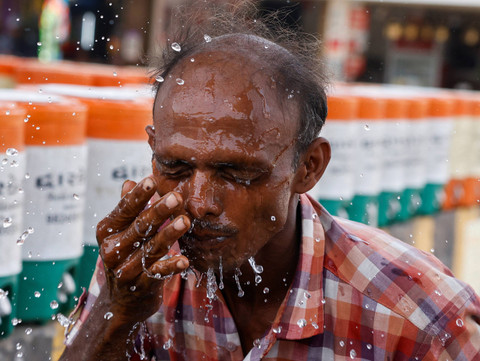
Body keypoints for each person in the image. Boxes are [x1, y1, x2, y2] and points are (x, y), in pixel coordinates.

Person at [60, 3, 480, 361]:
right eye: (175, 168)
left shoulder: (422, 316)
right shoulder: (142, 267)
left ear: (308, 167)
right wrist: (116, 313)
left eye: (237, 173)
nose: (199, 202)